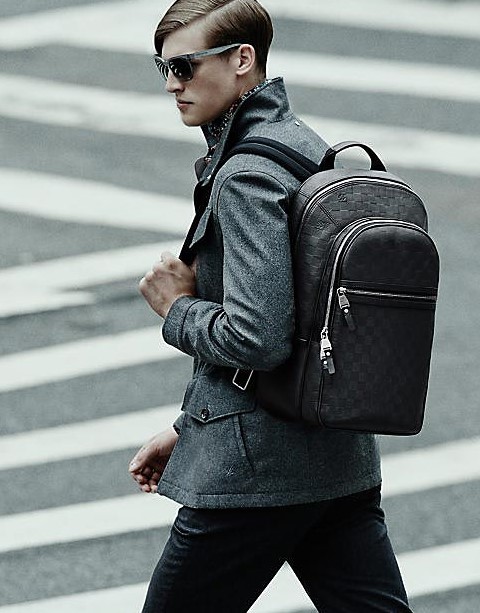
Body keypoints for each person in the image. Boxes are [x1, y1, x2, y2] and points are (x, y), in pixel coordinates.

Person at [129, 1, 413, 611]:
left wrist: (177, 309)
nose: (173, 83)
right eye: (164, 67)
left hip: (255, 473)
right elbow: (308, 321)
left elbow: (258, 337)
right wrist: (187, 429)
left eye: (184, 65)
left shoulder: (247, 175)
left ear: (242, 59)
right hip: (335, 455)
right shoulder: (302, 143)